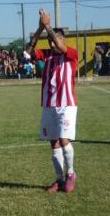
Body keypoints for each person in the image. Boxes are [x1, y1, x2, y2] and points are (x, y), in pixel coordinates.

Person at [27, 10, 79, 193]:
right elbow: (28, 52)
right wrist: (41, 27)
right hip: (49, 104)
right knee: (53, 143)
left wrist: (48, 25)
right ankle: (59, 179)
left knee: (64, 139)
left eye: (56, 40)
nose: (52, 43)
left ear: (63, 40)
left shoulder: (70, 54)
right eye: (50, 41)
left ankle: (71, 173)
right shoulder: (46, 54)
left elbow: (59, 45)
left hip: (67, 104)